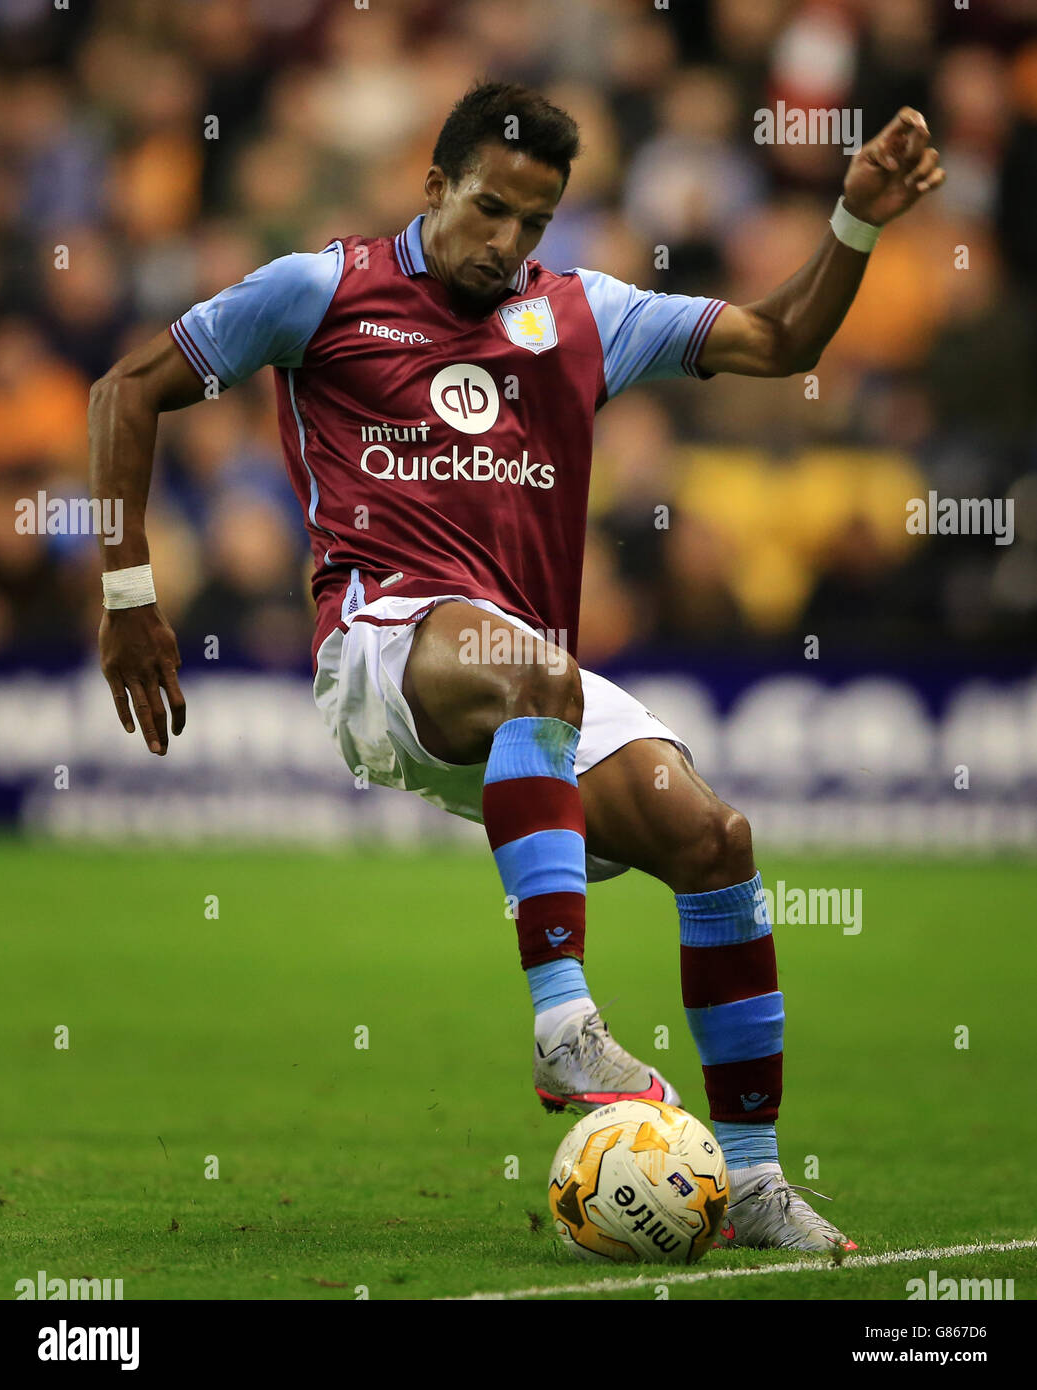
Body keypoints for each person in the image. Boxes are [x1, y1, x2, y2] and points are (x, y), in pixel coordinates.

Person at [89, 81, 944, 1251]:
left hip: (520, 687)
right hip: (383, 646)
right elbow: (126, 389)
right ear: (432, 186)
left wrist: (851, 220)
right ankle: (563, 1023)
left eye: (532, 222)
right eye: (488, 210)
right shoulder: (321, 291)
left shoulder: (582, 316)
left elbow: (778, 338)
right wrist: (128, 590)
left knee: (715, 841)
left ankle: (747, 1178)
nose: (505, 242)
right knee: (529, 669)